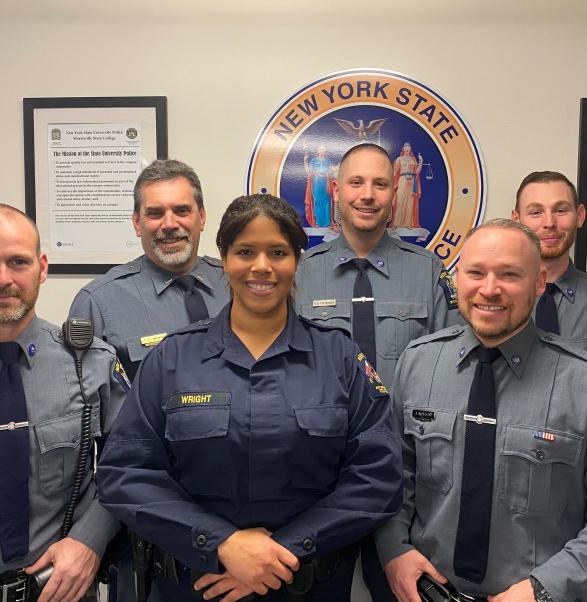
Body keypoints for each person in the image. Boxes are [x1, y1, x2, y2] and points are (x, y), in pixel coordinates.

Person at [97, 193, 403, 602]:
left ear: (297, 261)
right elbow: (126, 474)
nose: (262, 267)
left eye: (277, 252)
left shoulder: (340, 358)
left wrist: (281, 553)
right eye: (245, 252)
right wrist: (222, 544)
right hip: (196, 588)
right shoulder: (172, 358)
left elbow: (378, 476)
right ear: (224, 259)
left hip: (309, 587)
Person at [376, 219, 587, 602]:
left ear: (538, 282)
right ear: (458, 279)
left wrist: (544, 590)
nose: (490, 289)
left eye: (509, 274)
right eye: (476, 273)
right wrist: (395, 552)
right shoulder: (418, 364)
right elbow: (392, 476)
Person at [295, 142, 459, 602]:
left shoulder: (427, 271)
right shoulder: (302, 273)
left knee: (405, 590)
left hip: (407, 474)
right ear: (336, 189)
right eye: (356, 182)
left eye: (380, 183)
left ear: (395, 195)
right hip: (322, 473)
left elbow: (452, 369)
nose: (367, 194)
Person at [0, 204, 126, 601]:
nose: (2, 279)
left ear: (41, 268)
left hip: (62, 590)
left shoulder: (92, 362)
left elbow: (133, 466)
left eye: (17, 261)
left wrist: (90, 540)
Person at [69, 159, 229, 382]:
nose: (170, 224)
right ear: (136, 223)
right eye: (155, 213)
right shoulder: (98, 302)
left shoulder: (236, 283)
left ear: (201, 217)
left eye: (182, 211)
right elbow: (87, 399)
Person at [512, 170, 587, 367]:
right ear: (516, 220)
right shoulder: (496, 301)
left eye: (560, 210)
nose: (550, 223)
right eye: (536, 212)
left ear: (580, 216)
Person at [391, 143, 422, 229]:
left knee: (410, 202)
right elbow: (395, 171)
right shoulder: (399, 159)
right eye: (406, 150)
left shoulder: (413, 159)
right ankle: (396, 223)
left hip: (411, 181)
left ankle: (408, 224)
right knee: (400, 201)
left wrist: (421, 162)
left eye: (409, 150)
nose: (407, 151)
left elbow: (417, 172)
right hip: (402, 180)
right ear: (403, 150)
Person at [304, 144, 333, 228]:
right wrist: (305, 160)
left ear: (325, 151)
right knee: (317, 201)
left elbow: (331, 172)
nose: (322, 151)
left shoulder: (328, 161)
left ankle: (328, 223)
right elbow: (309, 171)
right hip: (317, 181)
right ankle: (318, 222)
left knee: (326, 202)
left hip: (326, 182)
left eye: (323, 149)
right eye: (320, 149)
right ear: (318, 151)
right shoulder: (313, 160)